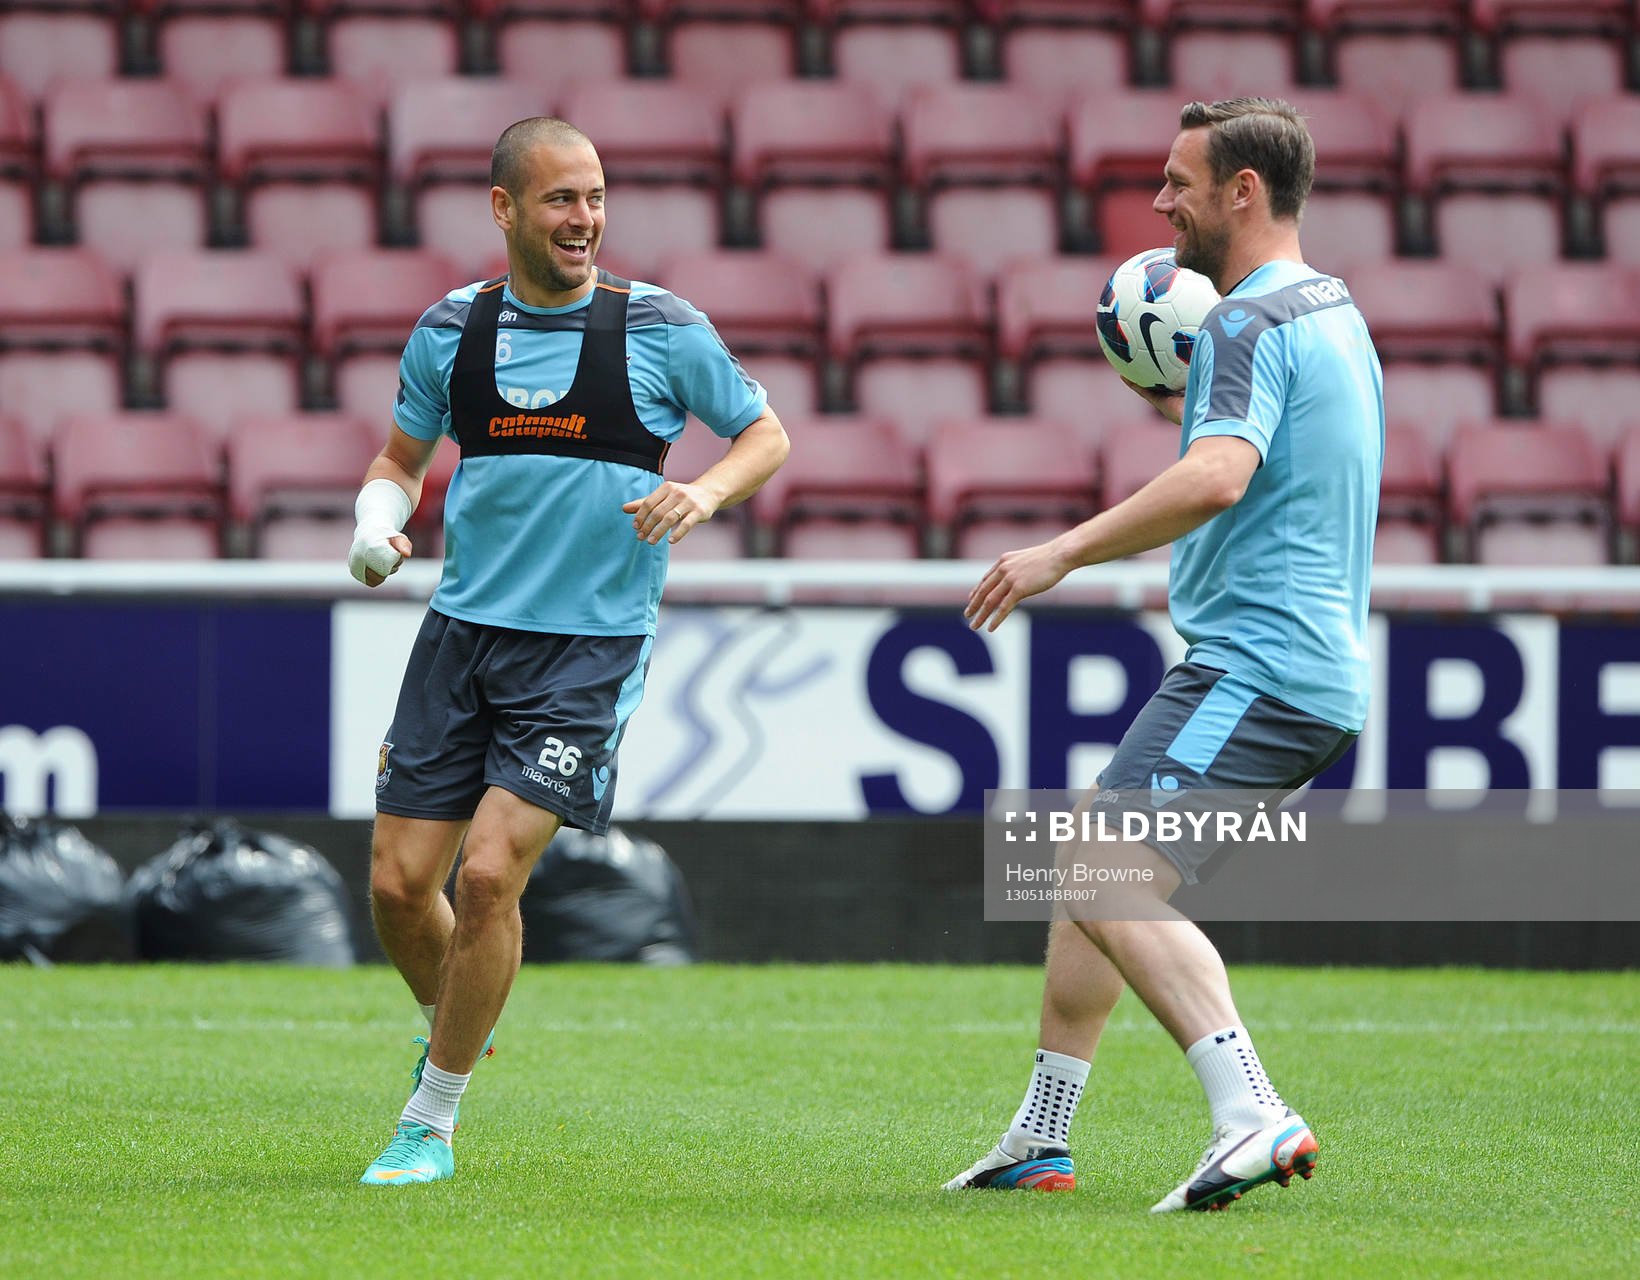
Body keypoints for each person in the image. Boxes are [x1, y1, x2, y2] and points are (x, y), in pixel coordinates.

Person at [946, 98, 1382, 1212]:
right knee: (1089, 864)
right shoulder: (1330, 309)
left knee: (1095, 862)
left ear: (1242, 190)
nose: (1158, 202)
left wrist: (1059, 552)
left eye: (1177, 181)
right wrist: (1180, 405)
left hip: (1257, 665)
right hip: (1305, 669)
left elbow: (1219, 476)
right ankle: (1038, 1135)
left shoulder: (1242, 323)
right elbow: (1259, 469)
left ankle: (1249, 1109)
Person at [346, 117, 789, 1186]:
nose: (583, 218)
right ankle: (452, 1017)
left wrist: (704, 488)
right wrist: (375, 519)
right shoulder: (452, 330)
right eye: (559, 199)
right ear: (504, 210)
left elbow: (764, 434)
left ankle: (430, 1120)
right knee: (400, 888)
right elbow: (400, 455)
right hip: (462, 634)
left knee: (489, 873)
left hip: (586, 649)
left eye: (593, 197)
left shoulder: (659, 327)